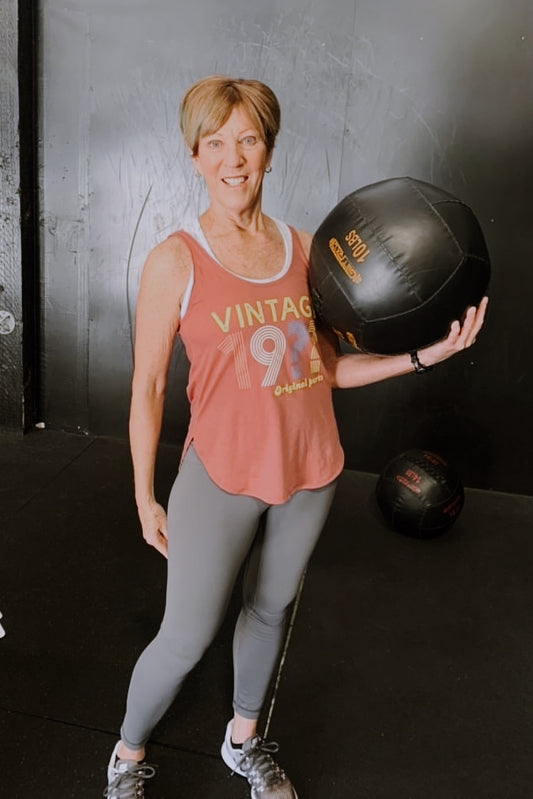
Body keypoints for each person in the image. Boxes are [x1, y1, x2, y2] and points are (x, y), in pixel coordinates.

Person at [103, 75, 488, 799]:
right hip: (220, 476)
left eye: (248, 139)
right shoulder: (175, 260)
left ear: (270, 151)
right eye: (215, 142)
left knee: (271, 607)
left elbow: (329, 370)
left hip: (310, 471)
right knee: (185, 639)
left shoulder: (307, 250)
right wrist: (142, 494)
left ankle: (242, 740)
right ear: (194, 156)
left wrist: (421, 356)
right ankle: (126, 757)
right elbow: (147, 387)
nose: (233, 157)